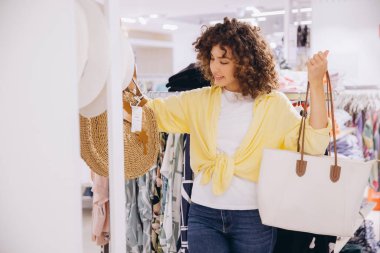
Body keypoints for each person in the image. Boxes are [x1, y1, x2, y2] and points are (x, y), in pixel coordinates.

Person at [147, 17, 331, 253]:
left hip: (252, 219)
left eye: (223, 61)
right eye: (212, 59)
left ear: (245, 62)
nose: (214, 67)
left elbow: (313, 143)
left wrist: (316, 84)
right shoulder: (199, 100)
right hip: (204, 214)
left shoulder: (274, 105)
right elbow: (154, 114)